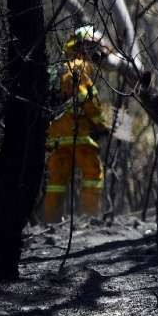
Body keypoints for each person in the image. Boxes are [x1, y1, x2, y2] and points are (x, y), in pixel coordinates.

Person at [44, 25, 108, 223]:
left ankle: (51, 221)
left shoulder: (56, 68)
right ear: (85, 48)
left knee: (56, 180)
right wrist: (102, 126)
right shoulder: (79, 67)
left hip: (55, 136)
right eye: (93, 48)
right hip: (78, 133)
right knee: (92, 174)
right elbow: (89, 101)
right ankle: (89, 218)